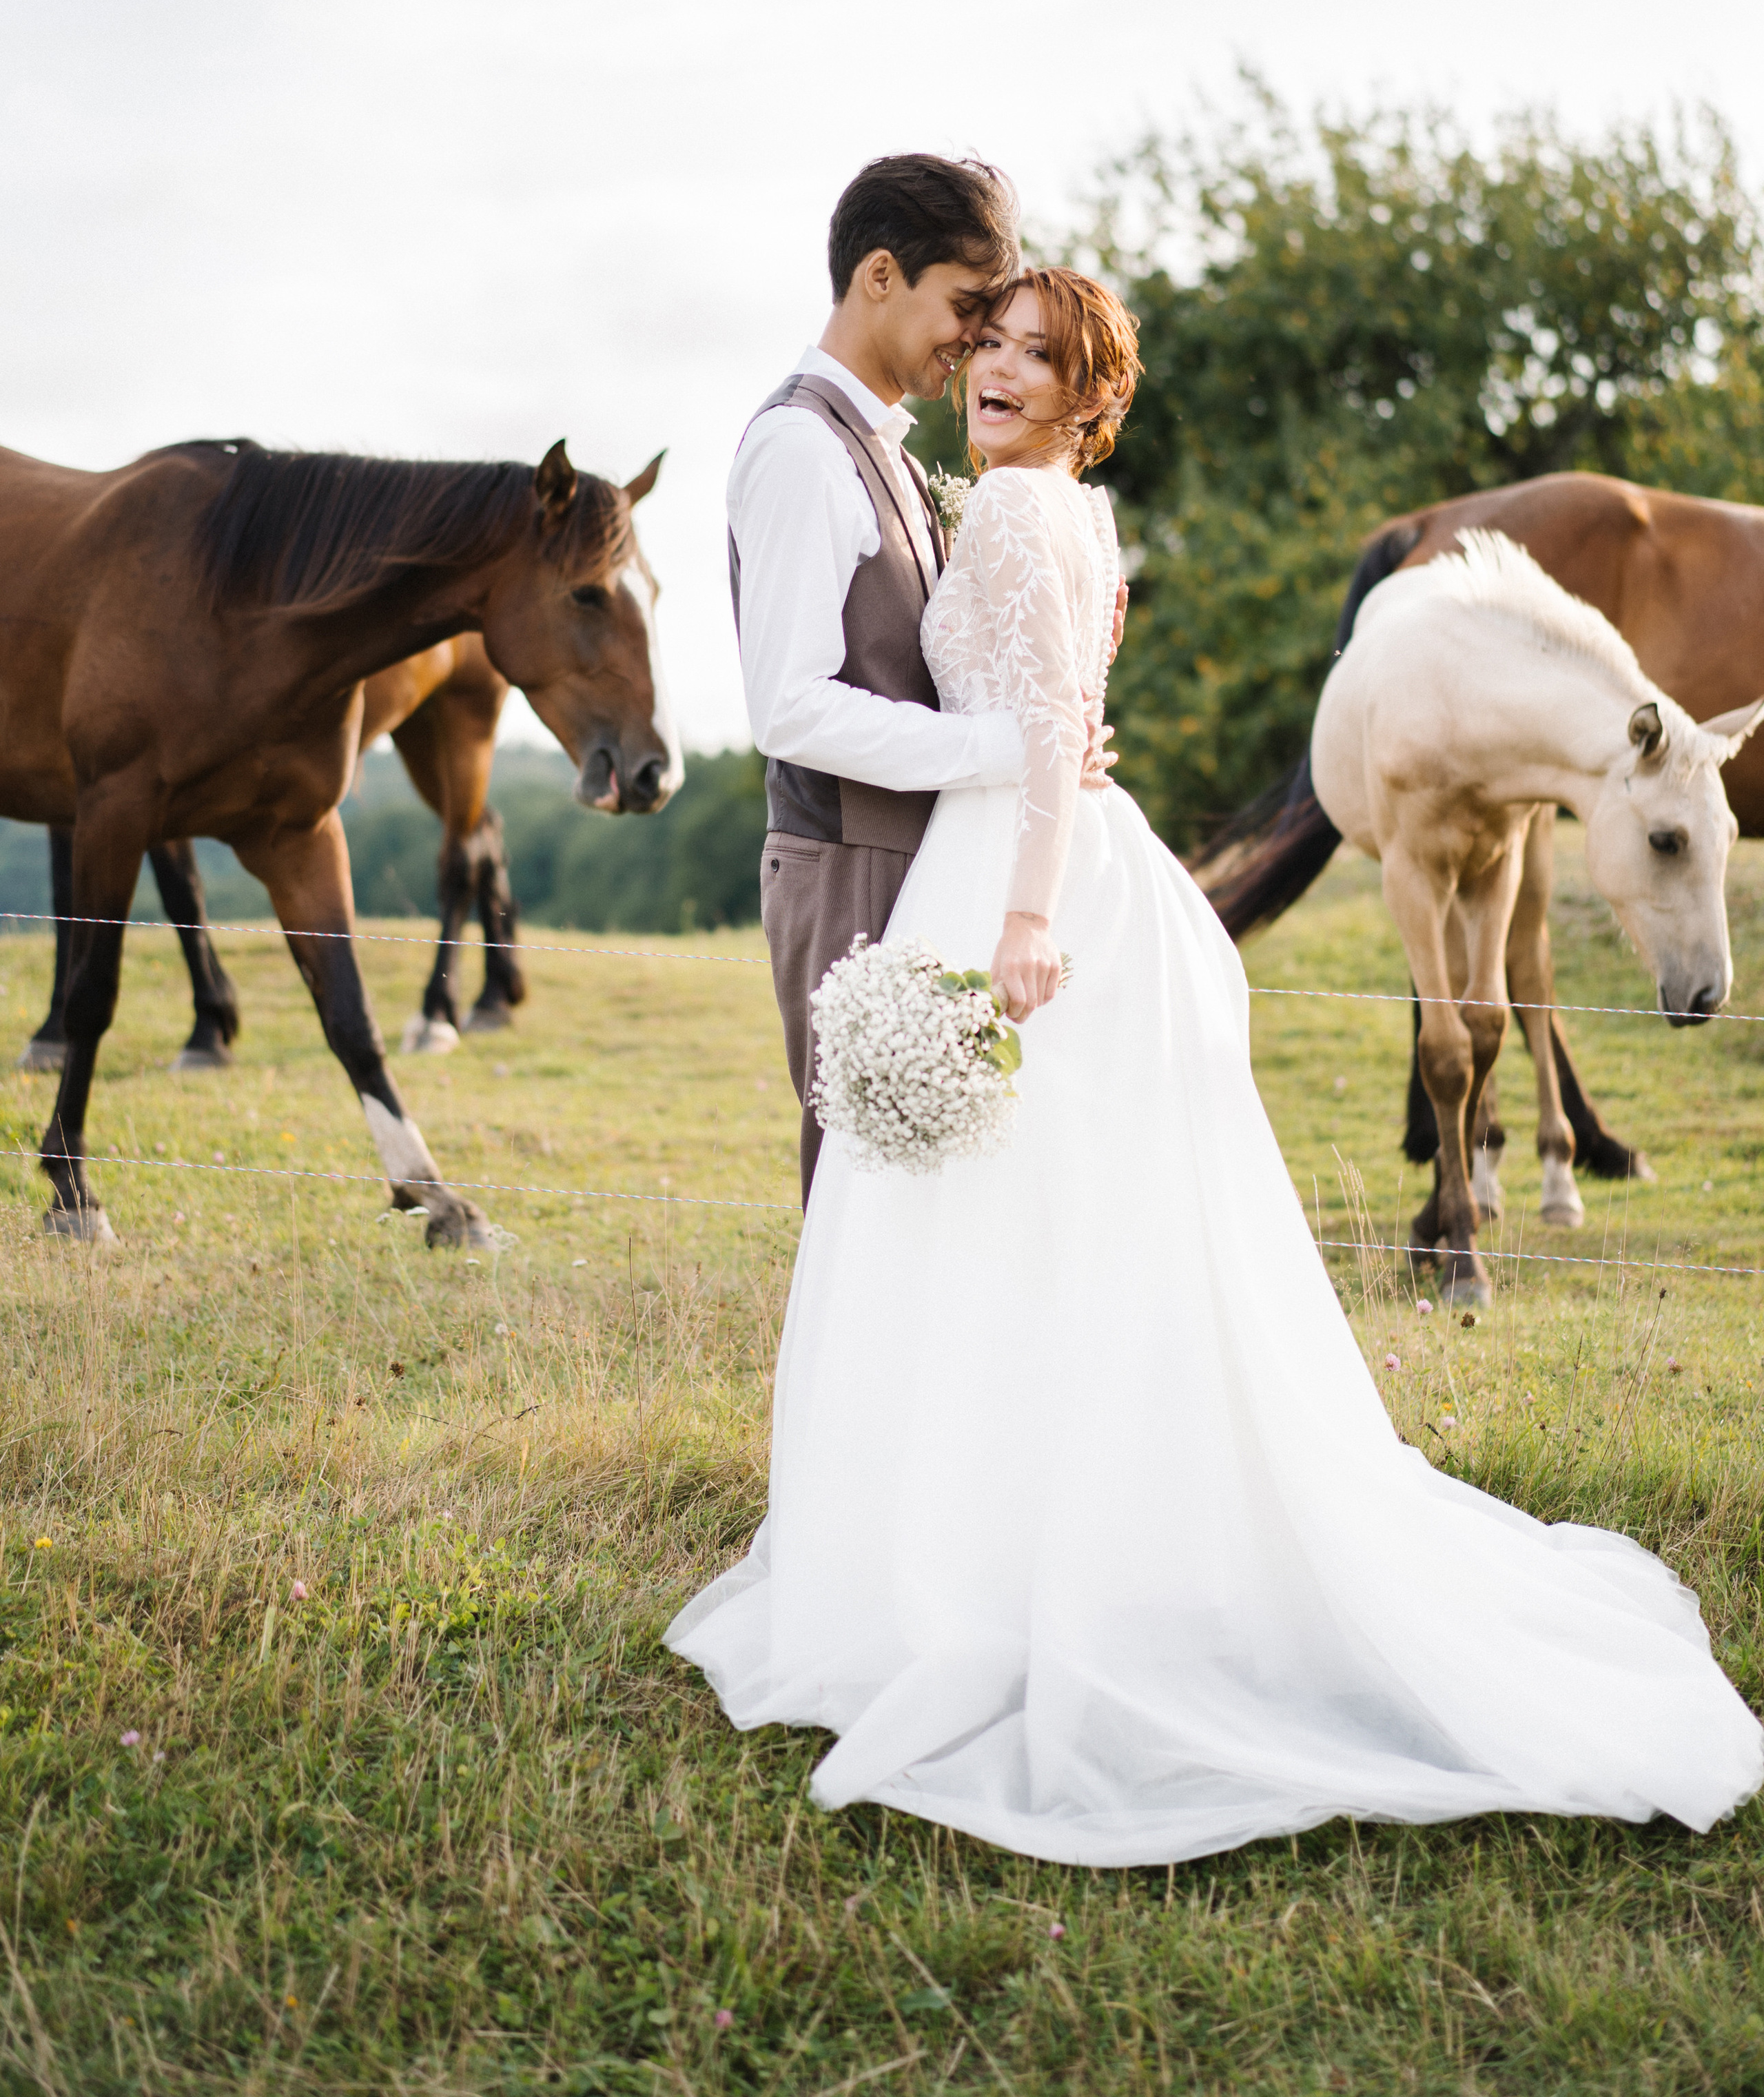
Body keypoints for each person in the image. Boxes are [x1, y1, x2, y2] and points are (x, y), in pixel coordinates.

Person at [669, 265, 1764, 1868]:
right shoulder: (1030, 505)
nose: (996, 372)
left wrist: (1026, 920)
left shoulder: (1028, 517)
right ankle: (1004, 1531)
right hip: (1021, 864)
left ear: (1084, 398)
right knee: (1034, 1230)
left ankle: (1021, 1559)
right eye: (989, 346)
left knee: (1023, 1220)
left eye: (1036, 359)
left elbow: (1048, 733)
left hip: (1034, 886)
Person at [728, 150, 1111, 1205]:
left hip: (924, 849)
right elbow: (789, 705)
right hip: (847, 854)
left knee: (941, 1174)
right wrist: (1015, 747)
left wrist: (1049, 735)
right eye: (966, 309)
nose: (973, 342)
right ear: (881, 277)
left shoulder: (891, 450)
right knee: (864, 1180)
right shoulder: (804, 451)